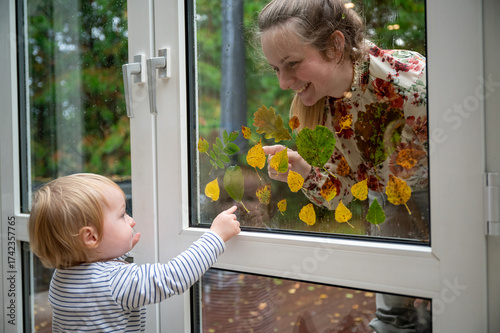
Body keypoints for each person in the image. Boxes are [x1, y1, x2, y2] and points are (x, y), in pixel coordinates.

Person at [257, 0, 430, 332]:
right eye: (275, 69)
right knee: (395, 319)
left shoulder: (412, 87)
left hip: (446, 196)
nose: (283, 82)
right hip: (390, 200)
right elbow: (346, 193)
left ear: (335, 46)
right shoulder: (318, 107)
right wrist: (305, 172)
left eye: (292, 63)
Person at [28, 173, 240, 332]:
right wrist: (216, 236)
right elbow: (173, 276)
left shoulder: (60, 278)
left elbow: (94, 271)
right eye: (122, 215)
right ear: (91, 238)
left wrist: (116, 251)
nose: (132, 220)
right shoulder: (115, 282)